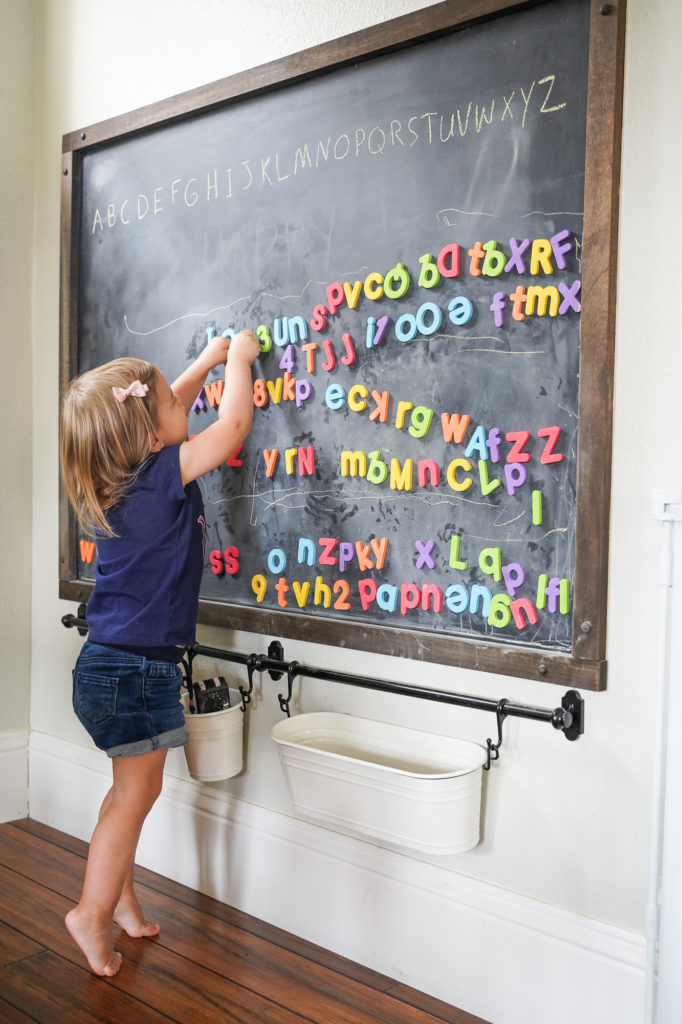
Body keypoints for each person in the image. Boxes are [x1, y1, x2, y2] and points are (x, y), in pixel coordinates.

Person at [59, 329, 260, 977]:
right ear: (151, 439)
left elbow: (166, 404)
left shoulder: (125, 479)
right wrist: (238, 361)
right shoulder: (160, 478)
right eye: (172, 406)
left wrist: (201, 361)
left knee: (124, 794)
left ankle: (115, 899)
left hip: (106, 665)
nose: (185, 403)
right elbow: (228, 429)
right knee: (135, 796)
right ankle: (89, 914)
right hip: (135, 670)